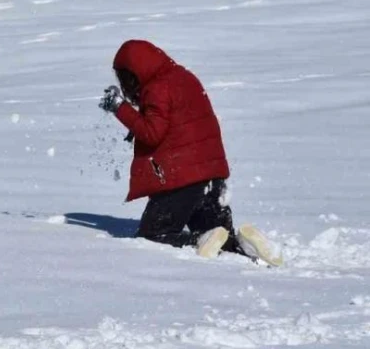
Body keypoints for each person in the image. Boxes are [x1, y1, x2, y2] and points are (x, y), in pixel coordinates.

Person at [98, 39, 282, 266]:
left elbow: (152, 132)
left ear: (134, 73)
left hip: (181, 181)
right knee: (219, 237)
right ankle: (243, 244)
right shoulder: (183, 77)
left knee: (153, 236)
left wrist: (119, 107)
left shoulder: (157, 88)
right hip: (212, 177)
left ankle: (197, 240)